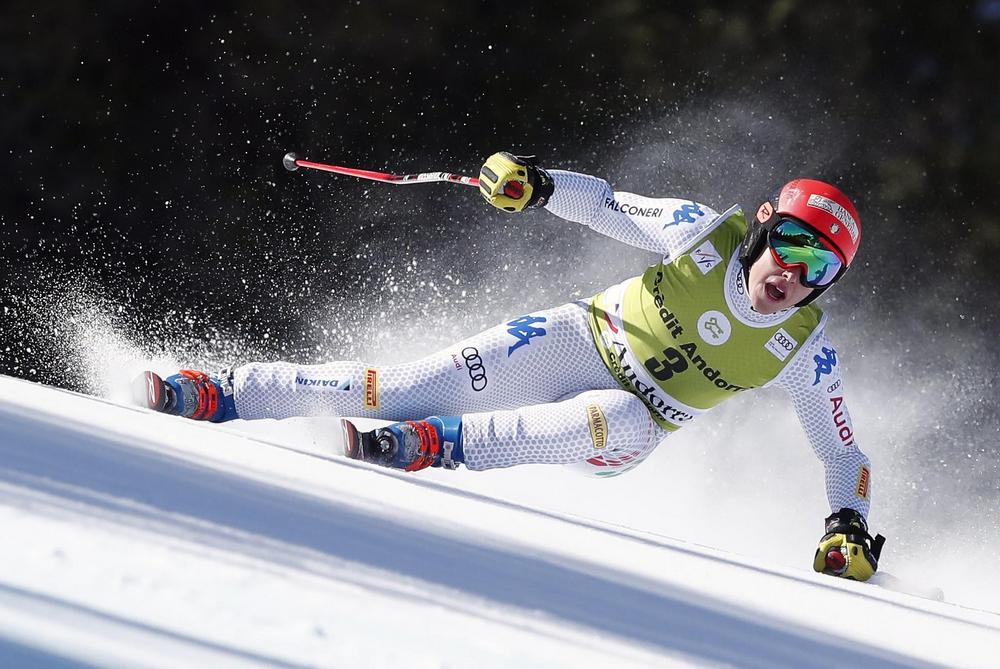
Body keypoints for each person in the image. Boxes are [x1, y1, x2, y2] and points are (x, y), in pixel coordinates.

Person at [133, 152, 885, 580]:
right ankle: (220, 391)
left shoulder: (803, 350)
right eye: (791, 241)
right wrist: (535, 184)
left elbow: (841, 448)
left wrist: (846, 522)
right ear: (762, 224)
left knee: (623, 415)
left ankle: (440, 445)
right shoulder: (700, 234)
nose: (795, 270)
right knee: (395, 387)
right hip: (580, 338)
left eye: (820, 264)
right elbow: (609, 204)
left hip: (631, 425)